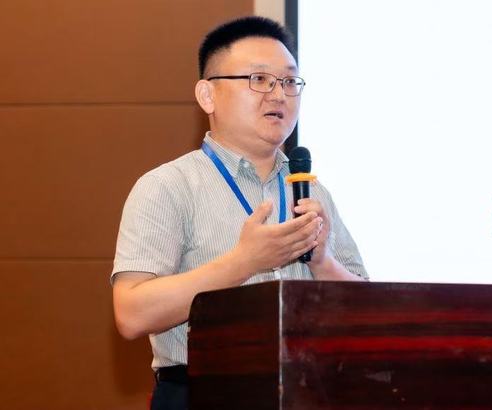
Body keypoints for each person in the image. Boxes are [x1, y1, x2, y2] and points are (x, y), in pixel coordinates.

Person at [111, 16, 368, 410]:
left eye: (289, 81)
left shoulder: (312, 190)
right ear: (208, 95)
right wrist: (244, 262)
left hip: (311, 390)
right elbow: (131, 314)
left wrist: (323, 262)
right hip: (203, 392)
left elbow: (368, 311)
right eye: (259, 79)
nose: (278, 95)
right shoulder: (168, 186)